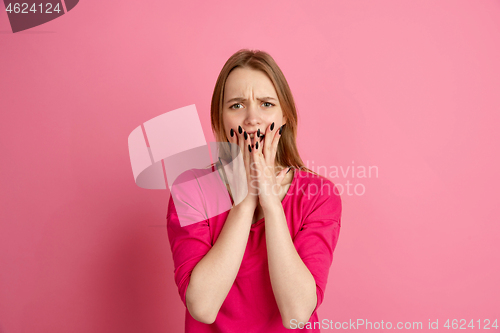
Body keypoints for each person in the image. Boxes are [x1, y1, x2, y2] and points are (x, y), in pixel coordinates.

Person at [166, 49, 342, 332]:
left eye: (266, 104)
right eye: (236, 105)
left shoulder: (319, 195)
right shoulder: (192, 190)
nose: (252, 119)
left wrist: (271, 205)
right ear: (219, 118)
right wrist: (246, 200)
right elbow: (203, 306)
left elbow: (297, 314)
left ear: (285, 116)